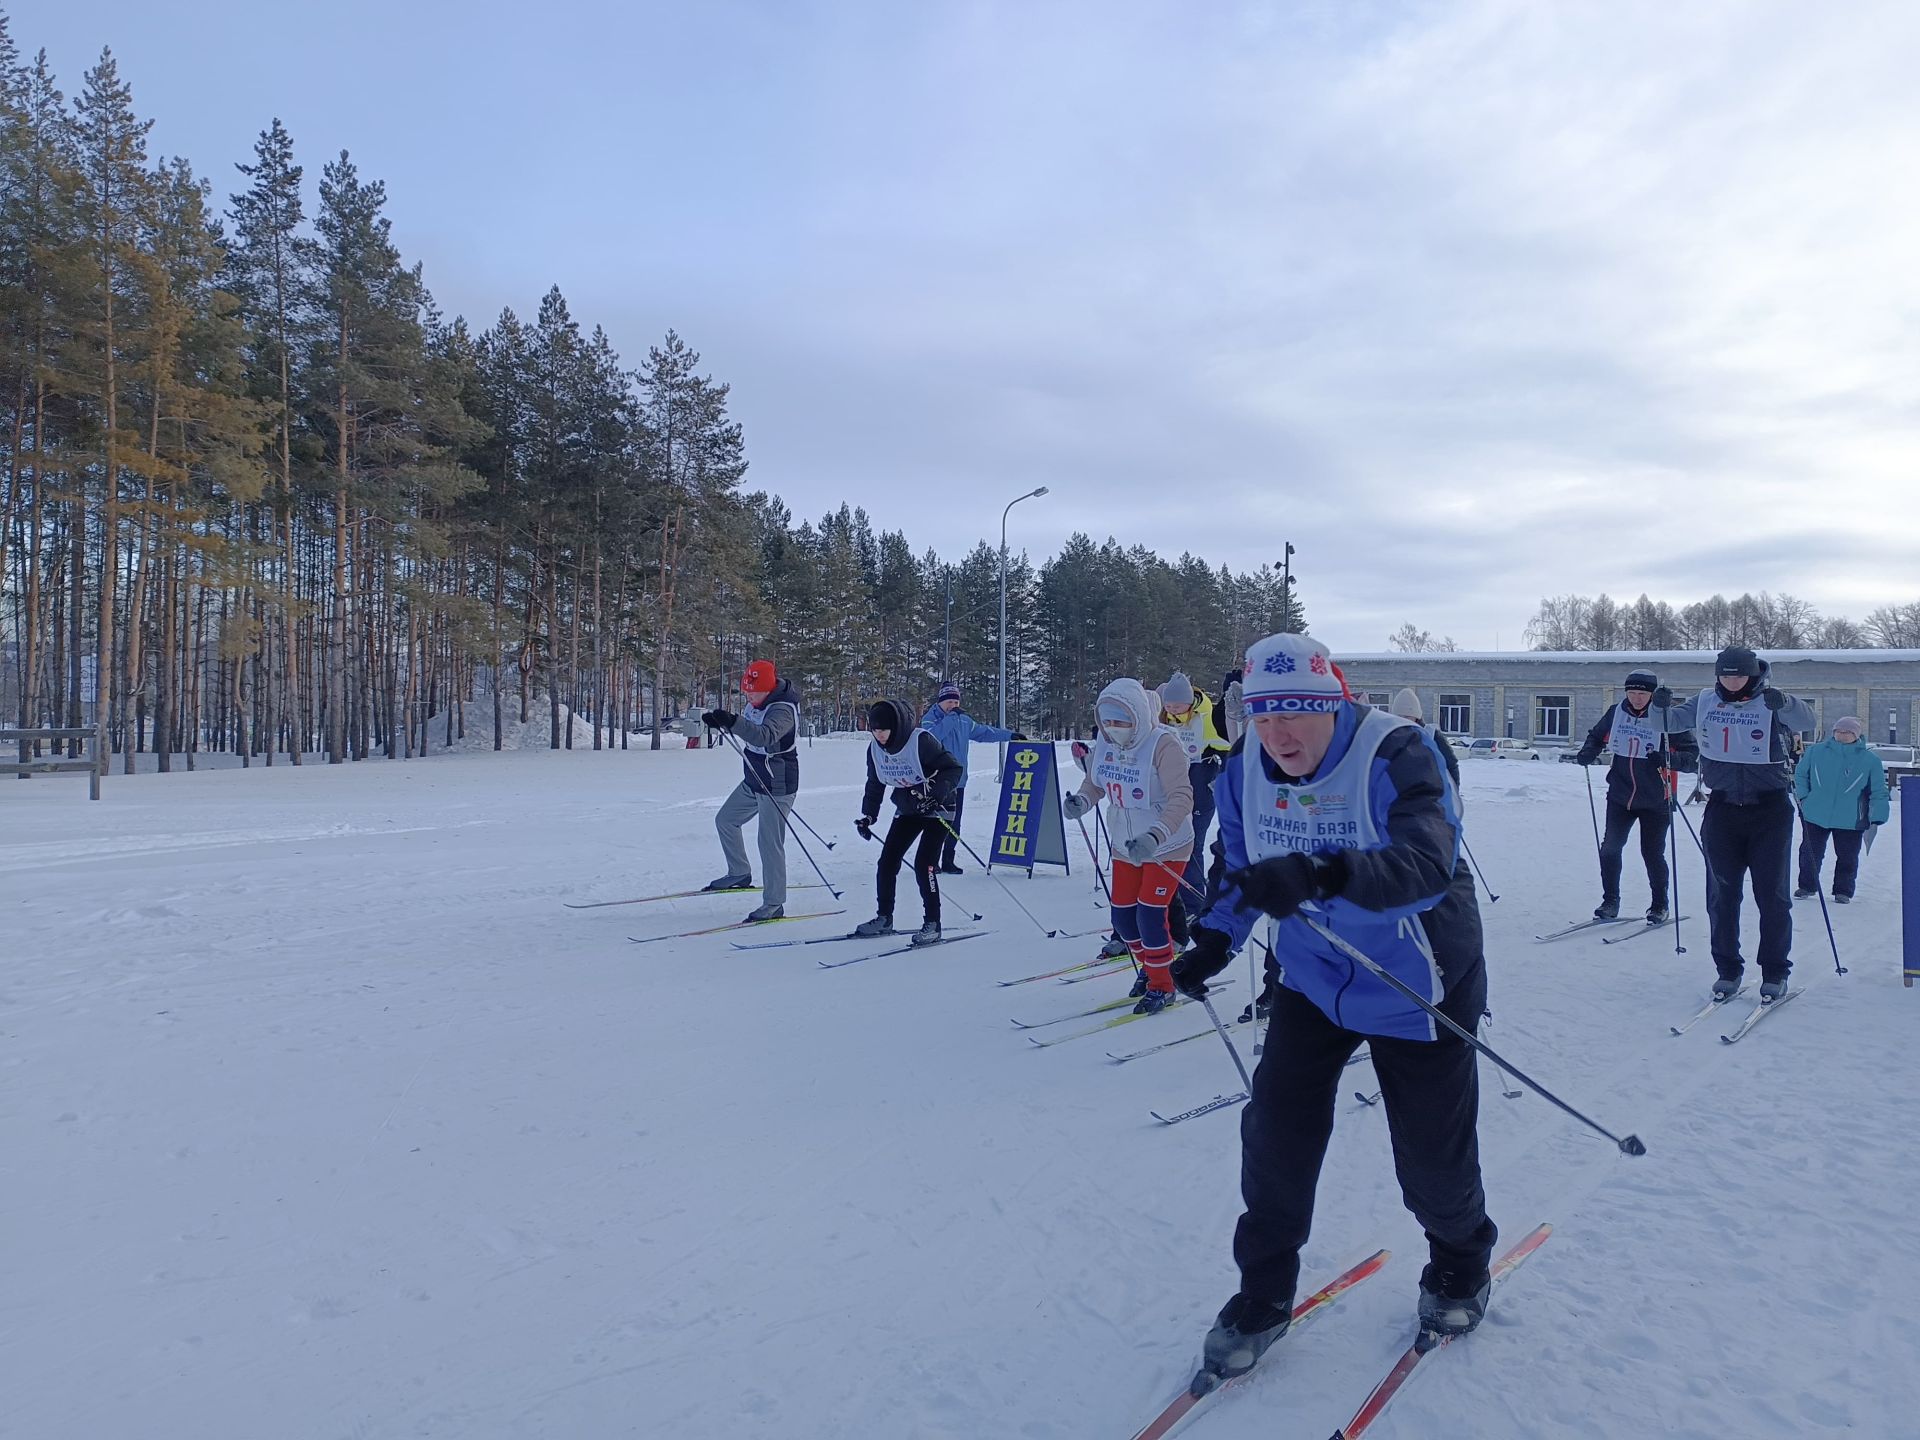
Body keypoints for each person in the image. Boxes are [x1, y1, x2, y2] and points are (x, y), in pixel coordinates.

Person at [1170, 632, 1495, 1383]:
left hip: (1418, 975)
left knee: (1430, 1160)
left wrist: (1320, 872)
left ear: (1336, 704)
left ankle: (1461, 1261)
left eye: (1300, 713)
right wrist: (1216, 941)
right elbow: (1241, 868)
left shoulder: (1398, 753)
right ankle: (1263, 1292)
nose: (1280, 733)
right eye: (1263, 712)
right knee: (1276, 1135)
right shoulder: (1245, 766)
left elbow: (1426, 864)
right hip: (1314, 976)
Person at [1652, 647, 1816, 1003]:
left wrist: (1785, 702)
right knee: (1722, 895)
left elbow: (1807, 721)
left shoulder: (1771, 700)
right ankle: (1727, 969)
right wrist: (1658, 705)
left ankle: (1775, 971)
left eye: (1738, 675)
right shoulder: (1705, 700)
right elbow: (1665, 724)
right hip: (1722, 807)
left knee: (1772, 896)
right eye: (1725, 675)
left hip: (1769, 809)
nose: (1731, 682)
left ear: (1752, 673)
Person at [1062, 678, 1194, 1013]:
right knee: (1123, 919)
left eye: (1120, 721)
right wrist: (1081, 801)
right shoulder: (1106, 743)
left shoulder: (1163, 744)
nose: (1113, 728)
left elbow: (1182, 797)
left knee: (1150, 914)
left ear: (1137, 715)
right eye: (1106, 722)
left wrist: (1156, 835)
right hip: (1126, 844)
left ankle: (1163, 985)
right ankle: (1152, 969)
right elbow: (1095, 784)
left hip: (1166, 845)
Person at [1571, 670, 1698, 925]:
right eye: (1632, 692)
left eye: (1642, 693)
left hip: (1656, 799)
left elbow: (1691, 756)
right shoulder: (1616, 712)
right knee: (1609, 849)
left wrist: (1667, 759)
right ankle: (1610, 901)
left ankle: (1659, 905)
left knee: (1652, 854)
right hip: (1620, 795)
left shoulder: (1666, 718)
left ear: (1652, 694)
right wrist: (1588, 752)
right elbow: (1597, 735)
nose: (1637, 698)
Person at [852, 699, 965, 946]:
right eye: (875, 730)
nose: (879, 735)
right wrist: (868, 816)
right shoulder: (874, 750)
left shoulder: (921, 741)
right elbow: (875, 783)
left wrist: (934, 794)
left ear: (896, 727)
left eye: (883, 730)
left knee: (924, 864)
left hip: (939, 808)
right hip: (908, 808)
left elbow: (953, 769)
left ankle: (933, 924)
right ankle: (884, 918)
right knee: (887, 861)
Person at [701, 659, 802, 921]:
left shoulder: (783, 710)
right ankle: (739, 873)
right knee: (726, 820)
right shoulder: (756, 702)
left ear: (768, 689)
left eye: (753, 692)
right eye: (746, 692)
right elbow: (746, 730)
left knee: (769, 842)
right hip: (754, 780)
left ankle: (774, 903)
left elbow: (764, 736)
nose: (749, 696)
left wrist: (732, 722)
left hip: (777, 785)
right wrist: (720, 721)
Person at [1158, 672, 1232, 947]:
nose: (1172, 710)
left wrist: (1220, 773)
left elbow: (1228, 745)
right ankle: (1172, 902)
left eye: (1177, 706)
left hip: (1201, 781)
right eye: (1169, 705)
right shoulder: (1161, 717)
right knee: (1170, 845)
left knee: (1193, 845)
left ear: (1189, 702)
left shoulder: (1207, 716)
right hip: (1172, 784)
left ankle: (1195, 904)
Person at [918, 681, 1024, 875]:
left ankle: (948, 859)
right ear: (940, 702)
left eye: (955, 702)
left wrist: (1010, 736)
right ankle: (930, 861)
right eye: (949, 701)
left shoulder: (964, 720)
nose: (953, 706)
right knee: (936, 821)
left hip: (958, 780)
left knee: (954, 822)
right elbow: (931, 738)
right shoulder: (930, 718)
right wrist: (950, 719)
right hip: (936, 779)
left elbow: (984, 732)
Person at [1793, 715, 1890, 904]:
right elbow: (1801, 774)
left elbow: (1879, 789)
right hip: (1815, 812)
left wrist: (1878, 814)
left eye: (1848, 732)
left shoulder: (1870, 760)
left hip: (1851, 817)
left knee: (1848, 856)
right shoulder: (1816, 751)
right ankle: (1806, 885)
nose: (1843, 735)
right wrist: (1804, 797)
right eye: (1839, 731)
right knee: (1810, 853)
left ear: (1856, 735)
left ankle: (1843, 890)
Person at [1387, 688, 1462, 790]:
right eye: (1399, 716)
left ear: (1416, 716)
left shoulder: (1432, 736)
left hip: (1430, 796)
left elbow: (1451, 766)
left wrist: (1452, 793)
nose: (1403, 720)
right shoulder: (1390, 737)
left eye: (1407, 716)